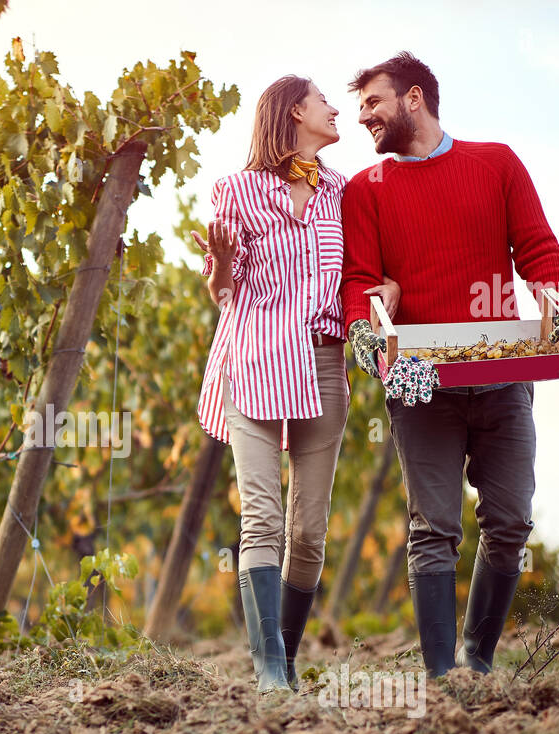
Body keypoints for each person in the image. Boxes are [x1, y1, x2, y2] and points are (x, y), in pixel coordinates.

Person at [341, 52, 559, 676]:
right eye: (360, 105)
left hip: (500, 374)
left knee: (509, 520)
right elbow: (361, 282)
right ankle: (443, 677)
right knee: (433, 528)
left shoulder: (495, 163)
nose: (363, 117)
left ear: (413, 99)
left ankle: (478, 660)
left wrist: (555, 301)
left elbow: (538, 250)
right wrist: (371, 316)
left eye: (373, 103)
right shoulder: (366, 192)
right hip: (420, 384)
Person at [192, 74, 399, 693]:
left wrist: (383, 292)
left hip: (322, 361)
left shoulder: (345, 193)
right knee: (260, 520)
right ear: (293, 112)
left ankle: (281, 652)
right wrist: (222, 267)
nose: (338, 111)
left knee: (308, 532)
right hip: (253, 356)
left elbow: (361, 276)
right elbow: (223, 291)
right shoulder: (238, 191)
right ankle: (271, 676)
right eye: (324, 101)